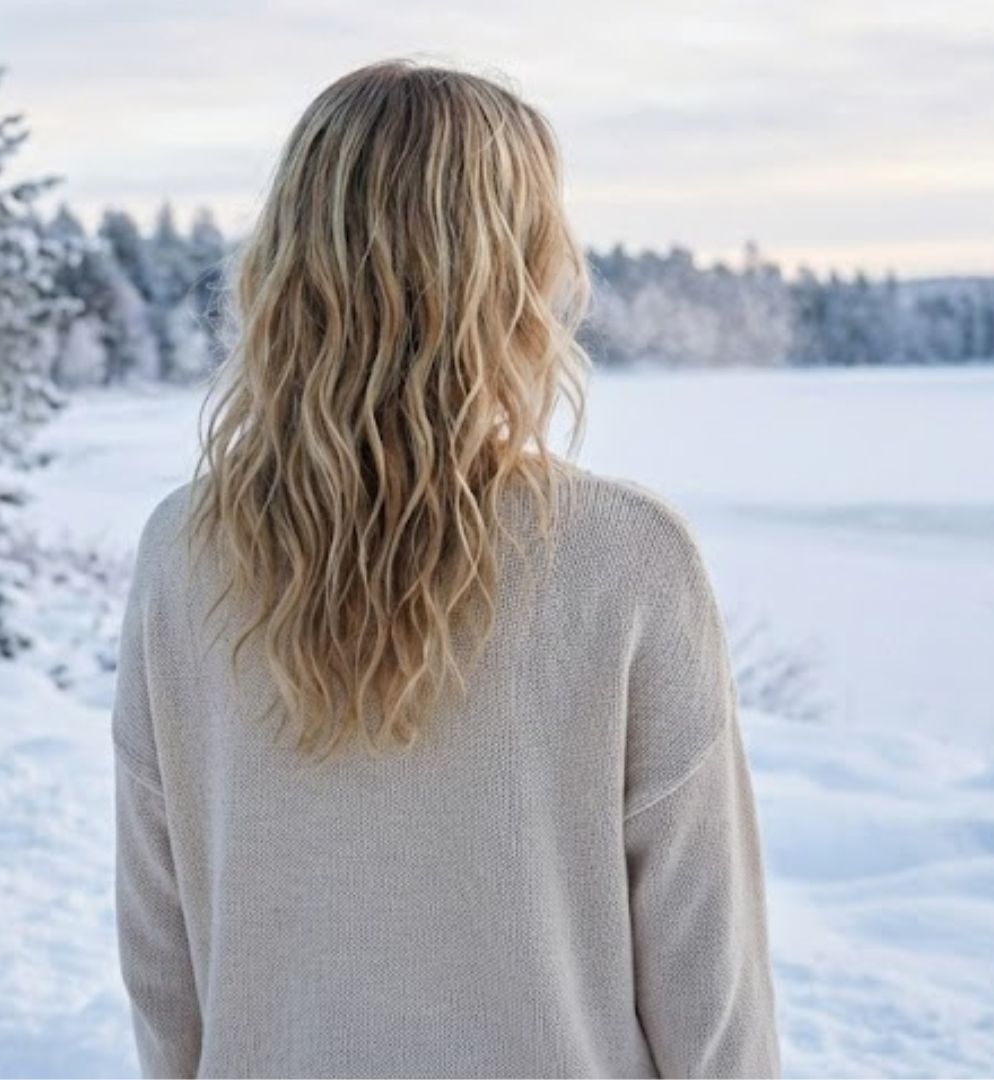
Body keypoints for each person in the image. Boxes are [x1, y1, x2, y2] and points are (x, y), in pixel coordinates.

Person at [111, 58, 779, 1079]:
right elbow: (708, 984)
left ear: (289, 264)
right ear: (517, 272)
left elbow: (163, 967)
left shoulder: (182, 550)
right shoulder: (626, 558)